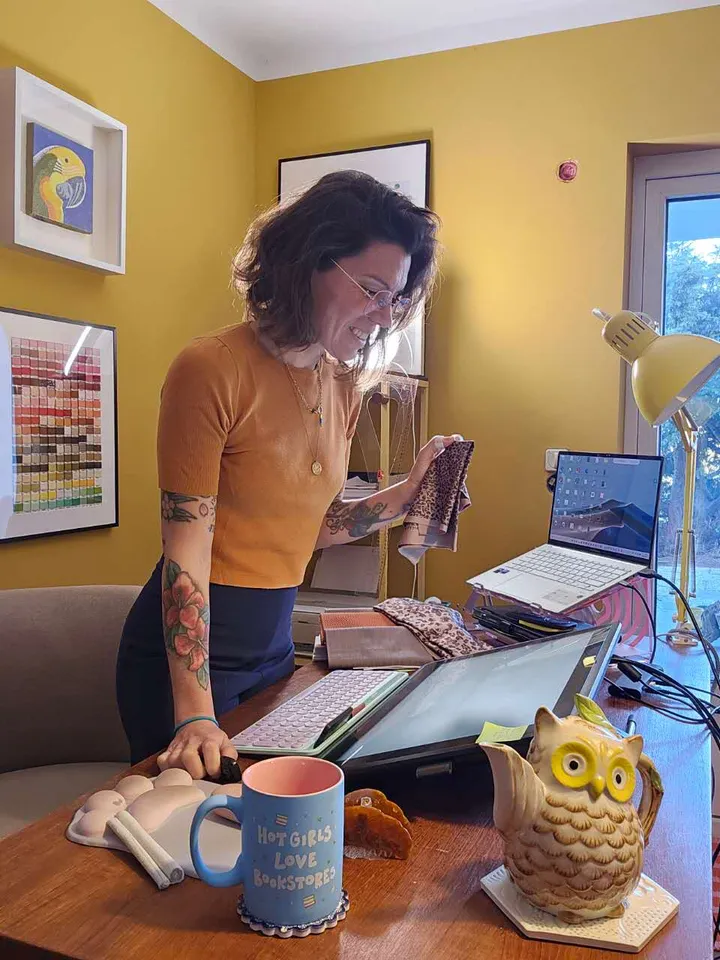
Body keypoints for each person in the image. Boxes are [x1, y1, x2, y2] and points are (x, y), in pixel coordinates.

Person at [116, 170, 460, 778]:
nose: (385, 316)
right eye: (372, 290)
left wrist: (408, 495)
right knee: (191, 822)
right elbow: (186, 550)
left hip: (272, 653)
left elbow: (311, 527)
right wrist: (194, 712)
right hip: (189, 669)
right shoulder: (212, 368)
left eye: (396, 299)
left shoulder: (342, 383)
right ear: (308, 262)